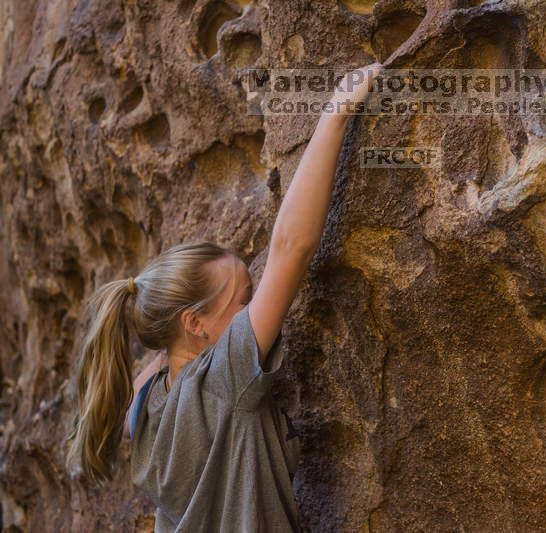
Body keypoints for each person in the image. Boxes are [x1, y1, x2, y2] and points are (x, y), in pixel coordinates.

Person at [65, 62, 383, 532]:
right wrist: (336, 111)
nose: (252, 308)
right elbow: (291, 249)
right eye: (243, 298)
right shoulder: (224, 378)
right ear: (194, 323)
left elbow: (162, 345)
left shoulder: (147, 404)